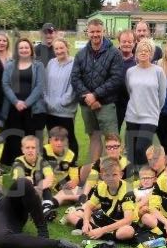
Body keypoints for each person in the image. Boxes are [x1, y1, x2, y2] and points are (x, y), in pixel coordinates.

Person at [70, 19, 123, 163]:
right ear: (87, 32)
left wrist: (95, 95)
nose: (95, 35)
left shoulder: (114, 53)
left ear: (103, 31)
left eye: (98, 31)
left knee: (112, 140)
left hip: (106, 104)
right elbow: (75, 78)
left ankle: (113, 170)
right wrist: (89, 98)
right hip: (87, 104)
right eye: (92, 32)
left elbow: (116, 79)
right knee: (94, 137)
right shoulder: (80, 54)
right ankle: (95, 169)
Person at [64, 158, 139, 243]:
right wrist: (85, 223)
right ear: (102, 176)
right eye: (107, 175)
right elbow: (89, 207)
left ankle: (95, 233)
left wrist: (102, 230)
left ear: (121, 175)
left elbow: (127, 220)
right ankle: (101, 234)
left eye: (114, 174)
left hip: (121, 223)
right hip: (105, 217)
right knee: (71, 216)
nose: (111, 178)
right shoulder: (100, 186)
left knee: (127, 232)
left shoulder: (128, 190)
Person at [0, 38, 46, 166]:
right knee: (14, 137)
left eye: (26, 47)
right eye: (21, 48)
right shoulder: (10, 65)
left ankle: (31, 163)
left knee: (31, 137)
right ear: (17, 50)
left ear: (31, 49)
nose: (24, 50)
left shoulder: (38, 65)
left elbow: (40, 86)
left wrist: (26, 103)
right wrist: (16, 102)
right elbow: (5, 84)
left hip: (33, 109)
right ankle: (15, 163)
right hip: (13, 108)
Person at [124, 40, 166, 169]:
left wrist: (155, 111)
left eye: (146, 51)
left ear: (151, 54)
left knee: (142, 148)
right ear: (136, 53)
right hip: (132, 115)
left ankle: (146, 174)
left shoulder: (158, 71)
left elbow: (162, 96)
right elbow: (130, 91)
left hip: (150, 116)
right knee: (132, 150)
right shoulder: (130, 71)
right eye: (140, 50)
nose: (143, 53)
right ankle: (135, 175)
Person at [44, 37, 79, 158]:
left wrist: (62, 102)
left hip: (65, 110)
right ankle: (52, 161)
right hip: (50, 110)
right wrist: (47, 101)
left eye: (61, 48)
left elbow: (73, 87)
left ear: (67, 48)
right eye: (56, 49)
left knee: (68, 137)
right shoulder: (51, 63)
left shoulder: (75, 63)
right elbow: (45, 84)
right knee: (52, 137)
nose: (59, 51)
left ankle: (71, 162)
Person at [81, 133, 130, 198]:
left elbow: (126, 187)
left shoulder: (127, 164)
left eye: (115, 146)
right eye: (109, 147)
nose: (112, 150)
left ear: (121, 148)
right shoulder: (100, 162)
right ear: (106, 149)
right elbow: (91, 179)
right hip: (99, 193)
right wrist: (84, 195)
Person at [42, 126, 81, 207]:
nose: (59, 143)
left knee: (79, 192)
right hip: (45, 182)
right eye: (56, 140)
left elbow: (74, 174)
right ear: (50, 141)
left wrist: (74, 182)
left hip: (61, 183)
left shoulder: (71, 154)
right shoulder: (44, 150)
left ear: (66, 141)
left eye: (62, 140)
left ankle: (54, 200)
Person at [115, 29, 137, 134]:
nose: (127, 44)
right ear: (119, 42)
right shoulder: (112, 59)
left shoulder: (138, 62)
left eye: (130, 42)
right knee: (113, 134)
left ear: (134, 43)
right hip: (115, 103)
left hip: (133, 104)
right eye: (124, 41)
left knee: (132, 134)